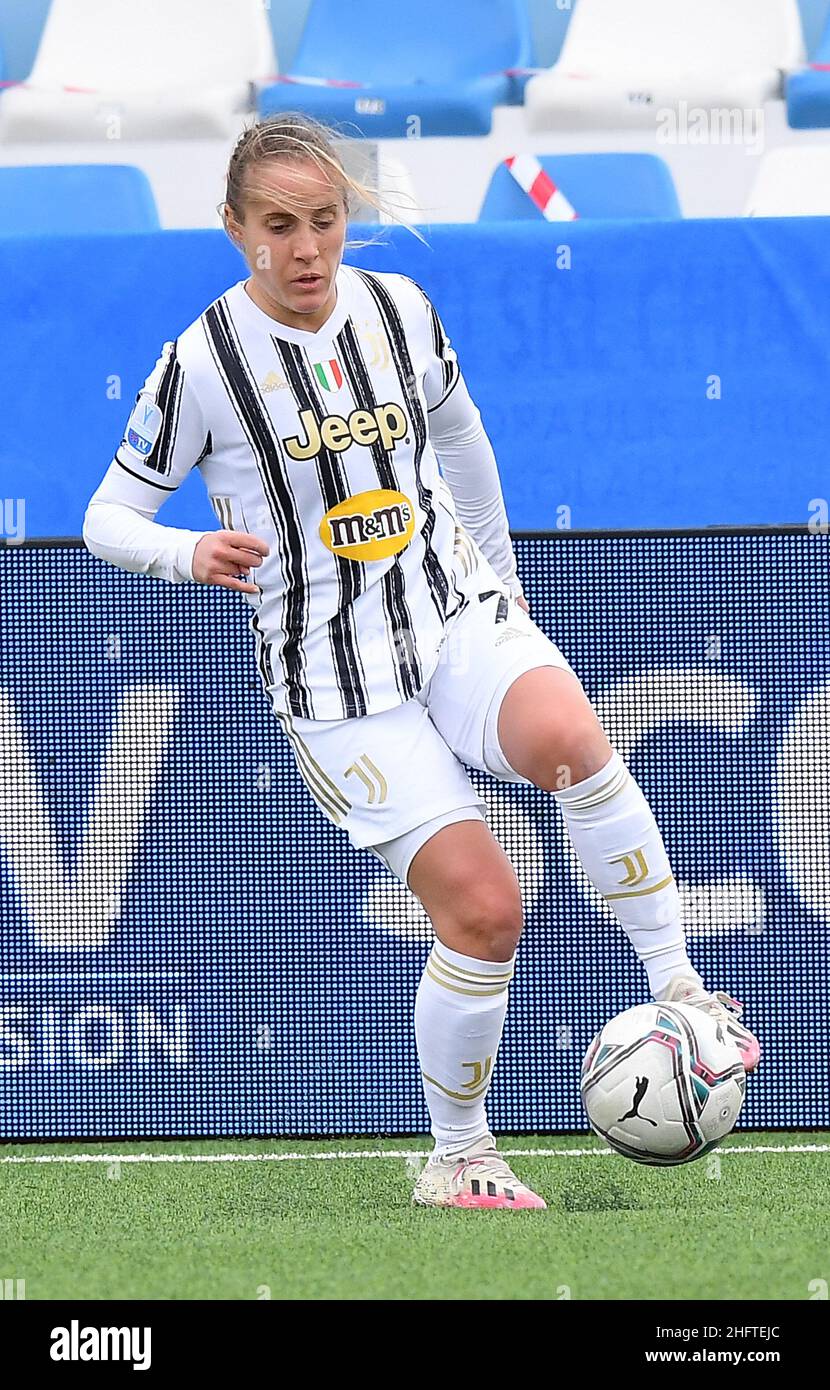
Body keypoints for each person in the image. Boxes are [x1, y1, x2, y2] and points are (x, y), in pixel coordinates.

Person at [83, 113, 759, 1210]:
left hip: (450, 616)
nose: (305, 249)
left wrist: (500, 580)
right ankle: (457, 1155)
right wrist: (185, 549)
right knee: (486, 909)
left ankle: (681, 989)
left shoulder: (400, 311)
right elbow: (105, 518)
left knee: (568, 737)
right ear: (234, 229)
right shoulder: (202, 364)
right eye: (277, 226)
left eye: (325, 220)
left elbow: (461, 439)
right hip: (334, 686)